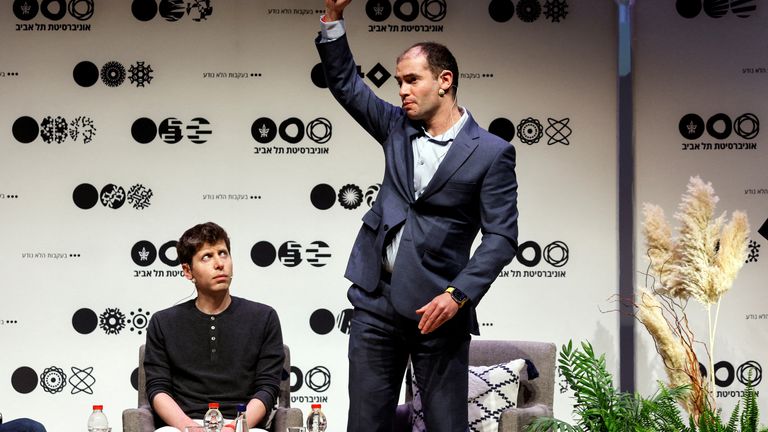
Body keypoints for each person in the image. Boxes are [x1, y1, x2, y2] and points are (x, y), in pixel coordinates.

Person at [315, 1, 519, 430]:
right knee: (366, 424)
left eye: (412, 80)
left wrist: (457, 295)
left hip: (437, 308)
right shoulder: (395, 126)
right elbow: (347, 85)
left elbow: (501, 237)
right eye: (398, 82)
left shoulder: (491, 153)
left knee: (446, 425)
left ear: (444, 81)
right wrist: (333, 21)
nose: (402, 91)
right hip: (375, 302)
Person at [143, 222, 284, 431]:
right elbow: (158, 389)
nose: (219, 263)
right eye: (207, 256)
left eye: (223, 253)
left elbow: (268, 388)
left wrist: (234, 427)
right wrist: (190, 428)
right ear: (187, 271)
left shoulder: (264, 317)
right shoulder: (163, 322)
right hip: (183, 425)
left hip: (243, 425)